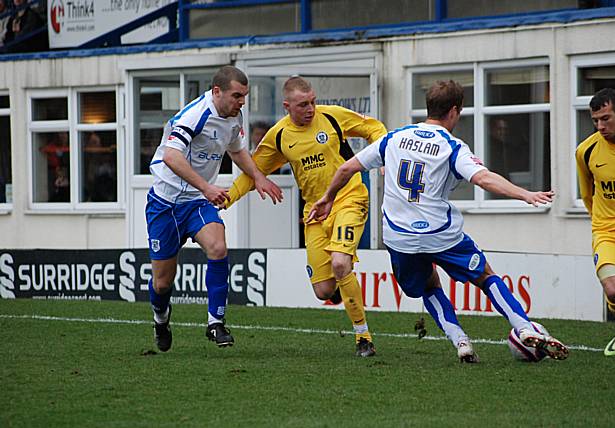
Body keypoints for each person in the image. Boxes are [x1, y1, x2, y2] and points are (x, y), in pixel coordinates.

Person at [307, 80, 569, 363]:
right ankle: (523, 326)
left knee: (429, 286)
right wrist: (525, 194)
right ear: (454, 111)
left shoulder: (394, 137)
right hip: (440, 234)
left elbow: (347, 168)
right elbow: (482, 177)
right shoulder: (452, 146)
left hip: (399, 237)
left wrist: (328, 198)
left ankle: (460, 341)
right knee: (485, 276)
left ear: (428, 107)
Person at [225, 76, 387, 357]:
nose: (311, 108)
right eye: (303, 105)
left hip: (350, 198)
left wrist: (384, 156)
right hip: (315, 212)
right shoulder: (278, 136)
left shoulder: (332, 117)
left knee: (339, 262)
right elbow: (253, 172)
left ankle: (363, 337)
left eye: (312, 101)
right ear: (287, 106)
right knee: (323, 291)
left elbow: (374, 128)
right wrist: (227, 198)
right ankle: (339, 287)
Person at [146, 65, 283, 352]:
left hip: (195, 202)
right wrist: (207, 187)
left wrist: (258, 177)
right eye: (237, 96)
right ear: (217, 91)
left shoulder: (234, 116)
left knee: (218, 247)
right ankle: (161, 318)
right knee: (162, 283)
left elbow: (236, 150)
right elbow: (171, 157)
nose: (242, 102)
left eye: (244, 96)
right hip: (164, 202)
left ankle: (215, 323)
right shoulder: (195, 115)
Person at [575, 87, 615, 357]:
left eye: (606, 118)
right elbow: (587, 195)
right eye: (595, 120)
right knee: (614, 290)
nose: (600, 126)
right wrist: (603, 225)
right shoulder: (586, 151)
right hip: (609, 230)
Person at [39, 131, 69, 202]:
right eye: (61, 134)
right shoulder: (51, 147)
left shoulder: (71, 146)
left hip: (67, 175)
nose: (63, 136)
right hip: (53, 174)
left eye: (65, 134)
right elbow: (43, 151)